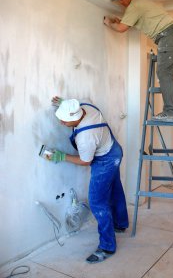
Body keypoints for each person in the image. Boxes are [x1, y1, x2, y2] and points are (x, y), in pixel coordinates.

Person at [48, 97, 129, 264]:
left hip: (106, 159)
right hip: (114, 150)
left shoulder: (86, 136)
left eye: (64, 121)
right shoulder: (86, 107)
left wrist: (62, 156)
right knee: (115, 189)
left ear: (73, 119)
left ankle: (107, 246)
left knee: (97, 202)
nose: (62, 124)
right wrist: (65, 105)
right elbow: (73, 109)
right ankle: (120, 224)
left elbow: (85, 161)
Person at [103, 0, 173, 122]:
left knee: (164, 73)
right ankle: (171, 112)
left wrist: (108, 23)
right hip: (170, 35)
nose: (120, 2)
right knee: (167, 73)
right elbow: (128, 23)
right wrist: (120, 21)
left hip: (167, 36)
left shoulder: (135, 5)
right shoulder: (140, 3)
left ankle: (170, 113)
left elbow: (122, 29)